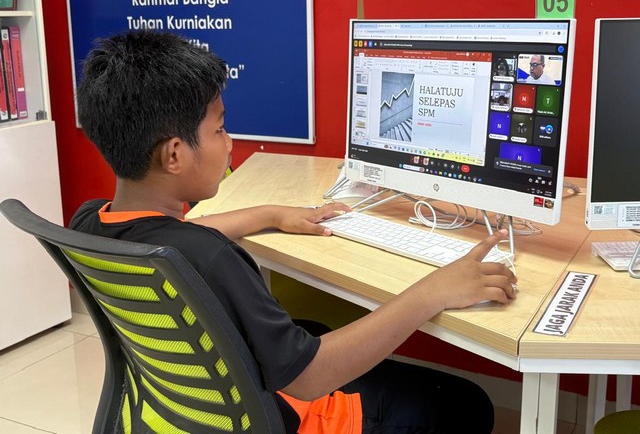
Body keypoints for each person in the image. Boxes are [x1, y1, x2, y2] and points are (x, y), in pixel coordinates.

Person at [71, 30, 517, 434]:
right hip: (291, 412)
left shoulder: (91, 222)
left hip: (179, 411)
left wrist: (270, 213)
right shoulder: (211, 259)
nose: (229, 141)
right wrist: (432, 292)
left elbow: (179, 235)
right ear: (174, 155)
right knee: (466, 403)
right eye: (220, 129)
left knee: (312, 326)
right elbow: (309, 378)